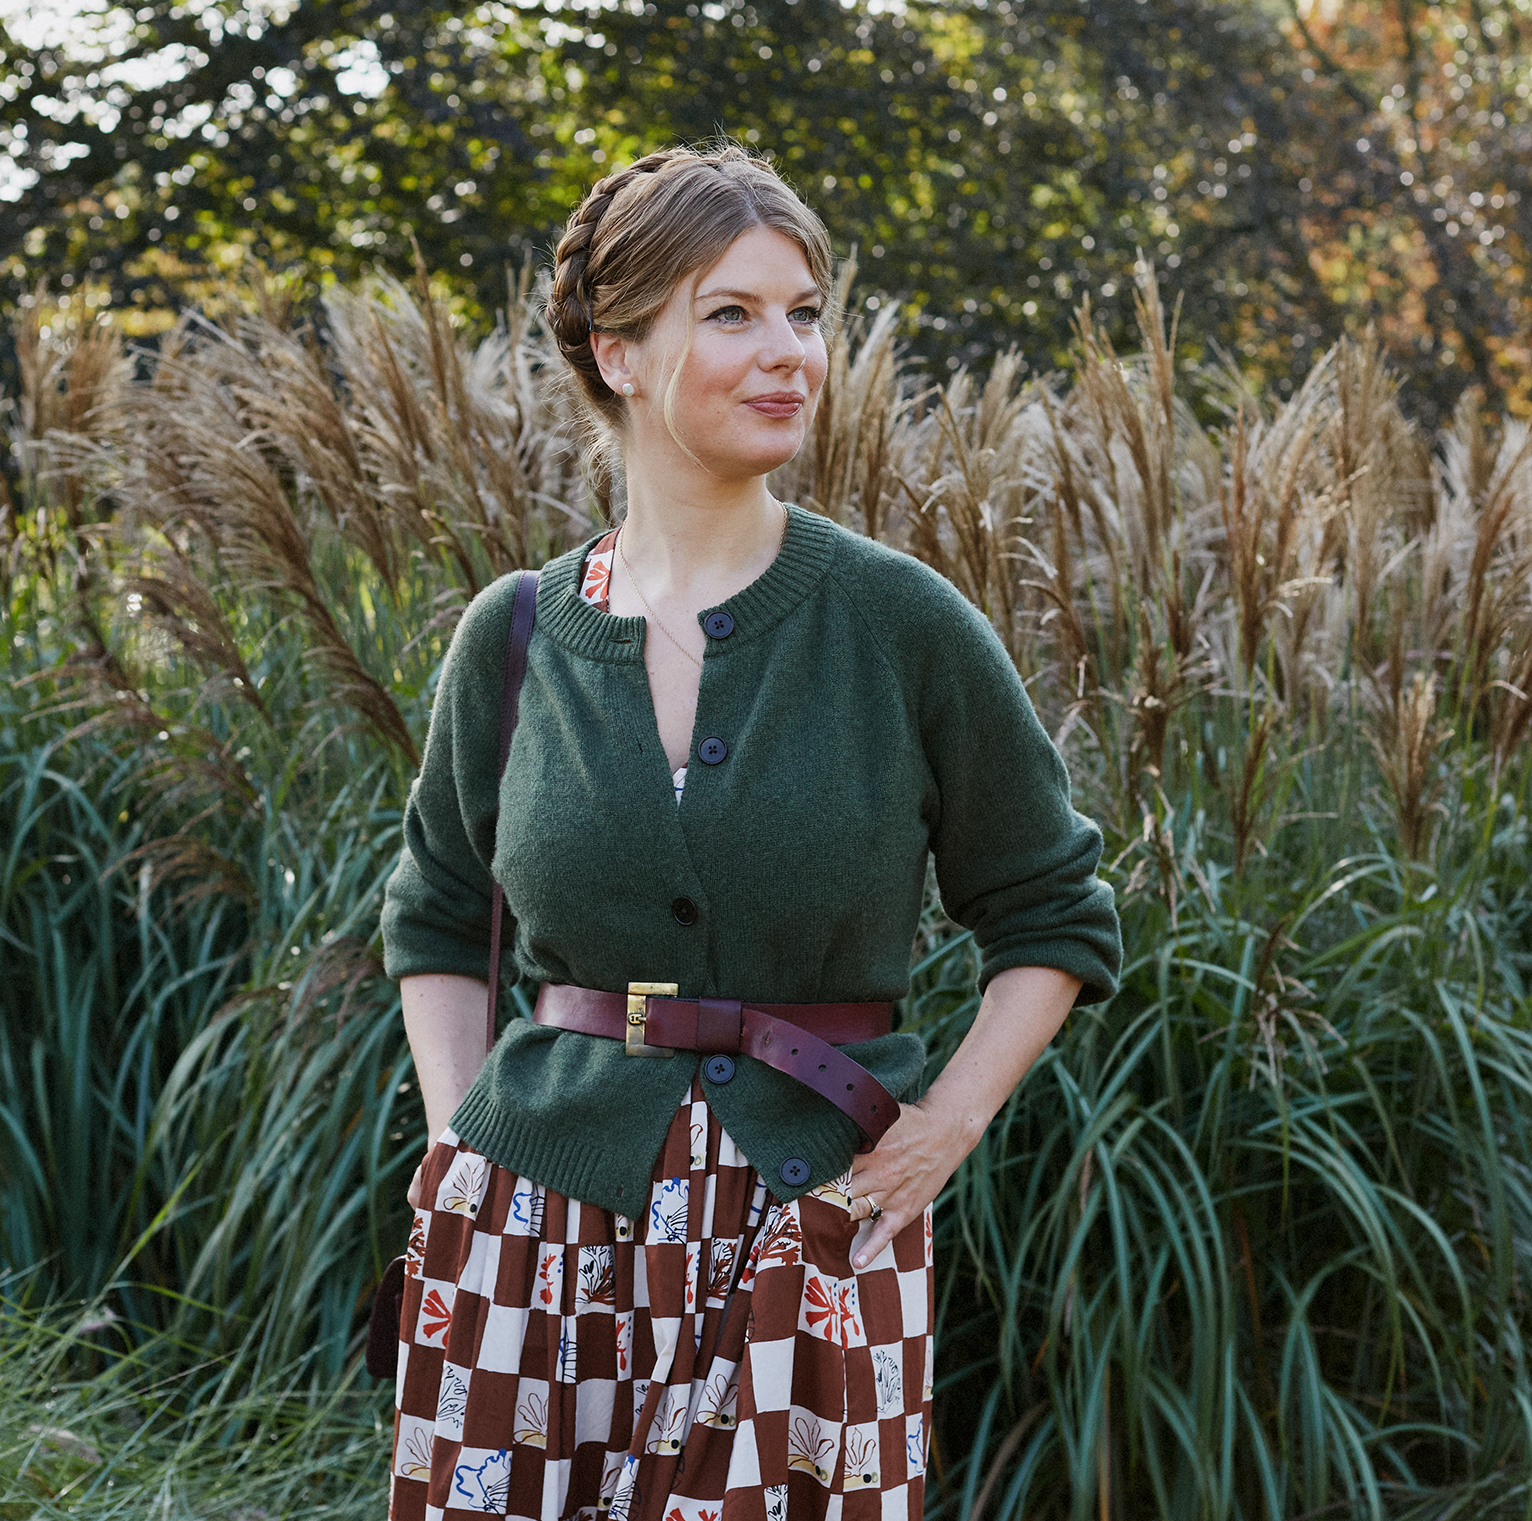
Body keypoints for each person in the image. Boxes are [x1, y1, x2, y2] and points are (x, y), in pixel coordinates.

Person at [380, 144, 1121, 1521]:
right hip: (532, 1234)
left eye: (805, 311)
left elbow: (1054, 911)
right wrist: (460, 1146)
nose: (788, 352)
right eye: (732, 313)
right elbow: (435, 911)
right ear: (616, 349)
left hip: (819, 1226)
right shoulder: (517, 635)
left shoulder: (900, 625)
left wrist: (946, 1125)